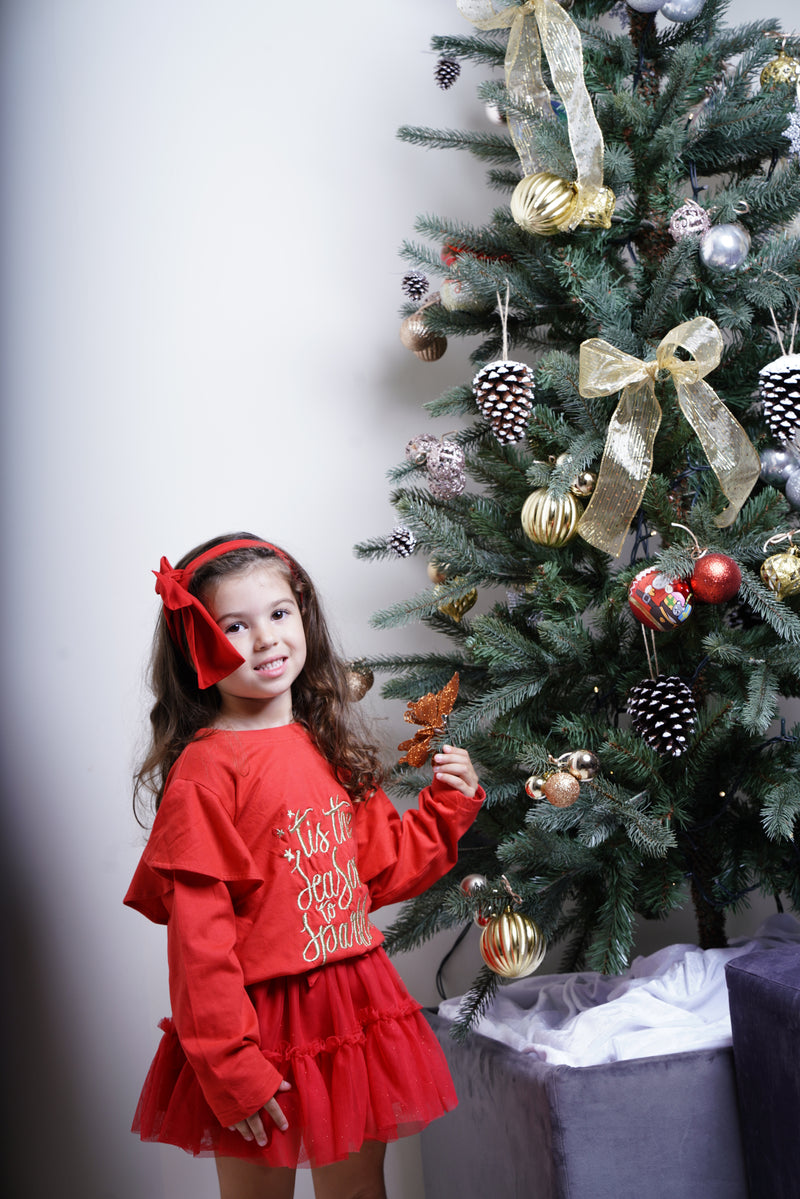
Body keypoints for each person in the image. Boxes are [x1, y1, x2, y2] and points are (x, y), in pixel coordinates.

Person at [125, 533, 484, 1199]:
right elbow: (199, 946)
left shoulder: (328, 743)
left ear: (304, 616)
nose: (265, 640)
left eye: (279, 613)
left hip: (354, 1014)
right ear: (197, 643)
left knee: (357, 1190)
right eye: (235, 625)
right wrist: (231, 1065)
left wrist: (445, 809)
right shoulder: (206, 773)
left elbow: (378, 873)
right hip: (257, 1029)